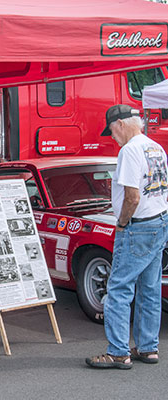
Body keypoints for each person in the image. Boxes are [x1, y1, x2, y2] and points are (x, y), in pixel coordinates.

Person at [86, 104, 168, 369]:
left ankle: (118, 352)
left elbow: (132, 196)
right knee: (150, 287)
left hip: (138, 224)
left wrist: (122, 223)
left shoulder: (129, 150)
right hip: (158, 220)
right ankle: (148, 348)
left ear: (120, 124)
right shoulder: (155, 147)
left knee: (119, 289)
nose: (112, 136)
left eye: (111, 130)